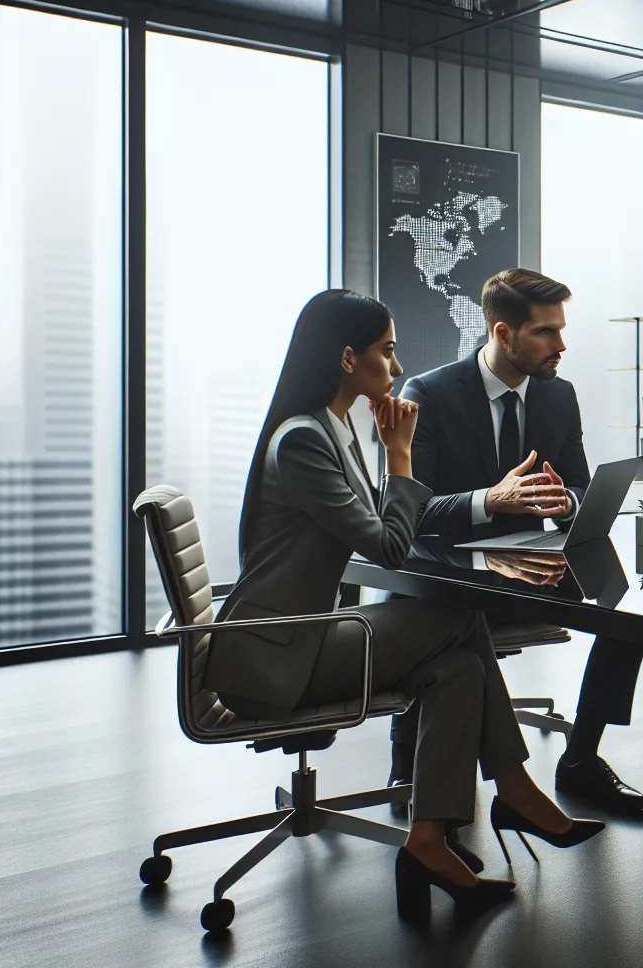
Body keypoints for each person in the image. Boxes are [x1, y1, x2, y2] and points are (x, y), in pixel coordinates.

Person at [208, 290, 599, 922]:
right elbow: (391, 546)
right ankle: (516, 789)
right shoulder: (305, 441)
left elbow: (380, 530)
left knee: (459, 667)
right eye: (386, 352)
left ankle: (428, 840)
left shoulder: (329, 428)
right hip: (275, 653)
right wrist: (399, 455)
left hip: (303, 636)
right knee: (458, 614)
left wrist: (391, 462)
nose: (396, 367)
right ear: (346, 358)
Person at [398, 269, 643, 814]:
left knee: (630, 616)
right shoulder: (429, 393)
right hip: (447, 575)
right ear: (502, 333)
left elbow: (580, 481)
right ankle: (417, 766)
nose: (560, 345)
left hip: (526, 567)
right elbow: (411, 513)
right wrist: (490, 499)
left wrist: (570, 502)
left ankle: (582, 757)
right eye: (544, 332)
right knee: (453, 624)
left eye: (560, 330)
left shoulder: (559, 397)